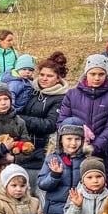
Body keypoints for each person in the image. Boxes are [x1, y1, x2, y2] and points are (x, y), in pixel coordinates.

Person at [58, 54, 108, 196]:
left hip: (99, 153)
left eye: (101, 74)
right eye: (93, 74)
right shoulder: (72, 94)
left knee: (98, 192)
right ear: (86, 73)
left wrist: (94, 147)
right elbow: (62, 121)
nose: (96, 78)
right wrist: (74, 139)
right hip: (72, 150)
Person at [18, 52, 70, 199]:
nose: (44, 79)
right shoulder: (30, 89)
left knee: (35, 191)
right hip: (21, 146)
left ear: (58, 78)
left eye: (49, 76)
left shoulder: (61, 97)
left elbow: (49, 124)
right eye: (42, 74)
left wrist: (20, 119)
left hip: (41, 150)